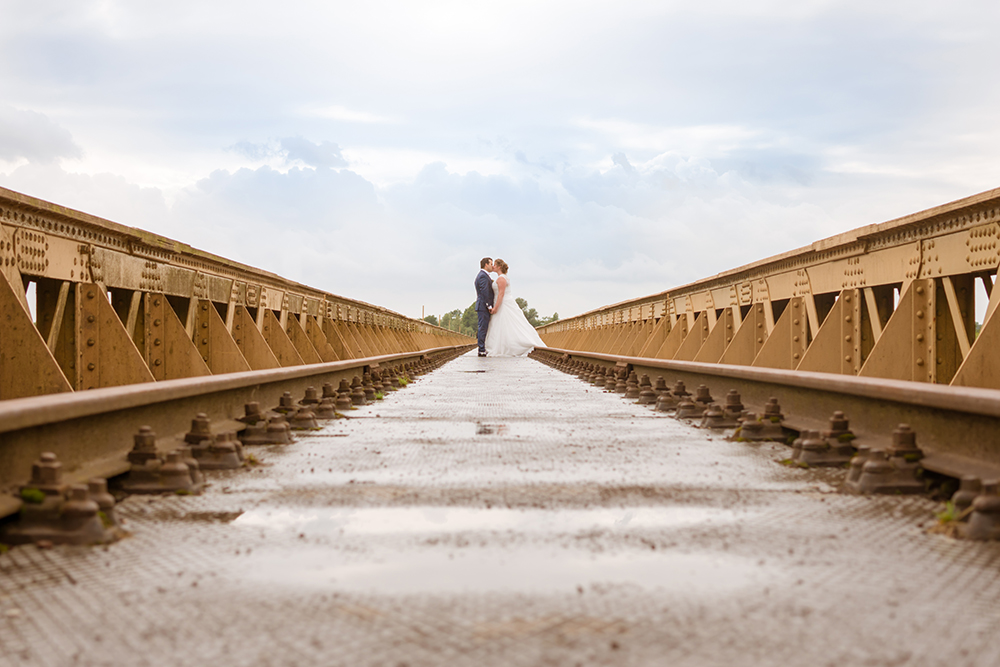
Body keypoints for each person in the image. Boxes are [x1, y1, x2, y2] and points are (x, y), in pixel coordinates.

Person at [484, 259, 545, 357]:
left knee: (506, 324)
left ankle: (515, 345)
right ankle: (506, 345)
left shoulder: (501, 279)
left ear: (499, 267)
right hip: (504, 303)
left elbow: (501, 294)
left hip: (503, 304)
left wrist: (495, 307)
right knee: (505, 325)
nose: (493, 267)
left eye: (495, 265)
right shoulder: (503, 278)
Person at [474, 257, 495, 357]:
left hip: (482, 306)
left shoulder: (483, 275)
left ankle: (482, 348)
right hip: (483, 306)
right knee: (483, 327)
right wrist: (489, 305)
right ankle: (481, 349)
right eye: (491, 264)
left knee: (484, 327)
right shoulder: (483, 276)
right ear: (486, 264)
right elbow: (485, 292)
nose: (492, 266)